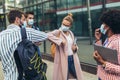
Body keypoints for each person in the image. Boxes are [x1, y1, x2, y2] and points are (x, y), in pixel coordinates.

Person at [0, 10, 47, 80]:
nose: (25, 21)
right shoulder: (24, 31)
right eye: (24, 19)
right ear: (17, 20)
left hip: (8, 77)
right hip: (21, 77)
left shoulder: (1, 35)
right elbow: (45, 36)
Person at [47, 13, 83, 80]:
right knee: (63, 76)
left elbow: (74, 44)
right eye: (63, 24)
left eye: (66, 25)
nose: (64, 26)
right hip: (62, 59)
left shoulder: (71, 33)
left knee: (76, 76)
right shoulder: (58, 32)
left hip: (73, 58)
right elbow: (48, 35)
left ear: (70, 26)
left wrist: (75, 48)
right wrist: (59, 41)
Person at [93, 9, 120, 80]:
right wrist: (98, 40)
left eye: (103, 23)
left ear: (108, 26)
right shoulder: (109, 39)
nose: (101, 25)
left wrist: (103, 62)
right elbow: (103, 53)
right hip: (102, 76)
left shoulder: (117, 42)